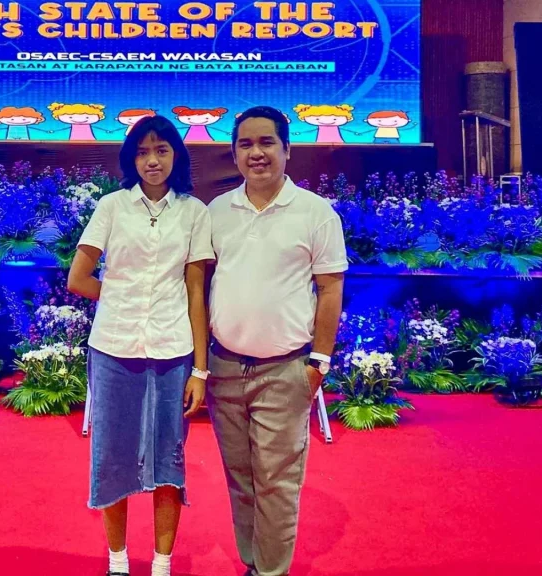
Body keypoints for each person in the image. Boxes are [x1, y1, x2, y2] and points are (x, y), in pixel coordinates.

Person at [68, 115, 214, 576]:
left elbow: (196, 292)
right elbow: (77, 278)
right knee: (111, 455)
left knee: (169, 456)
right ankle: (116, 562)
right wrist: (123, 298)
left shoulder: (195, 212)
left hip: (174, 351)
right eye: (143, 151)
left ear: (176, 155)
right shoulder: (112, 207)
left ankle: (162, 564)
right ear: (132, 158)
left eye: (162, 150)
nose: (152, 160)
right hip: (113, 346)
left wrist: (201, 371)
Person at [206, 106, 347, 576]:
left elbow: (330, 289)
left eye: (267, 143)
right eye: (245, 144)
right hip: (224, 367)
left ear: (287, 149)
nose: (256, 153)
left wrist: (318, 363)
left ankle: (271, 571)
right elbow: (199, 285)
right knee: (241, 480)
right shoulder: (217, 211)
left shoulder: (316, 212)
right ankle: (252, 563)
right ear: (234, 153)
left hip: (286, 369)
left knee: (277, 483)